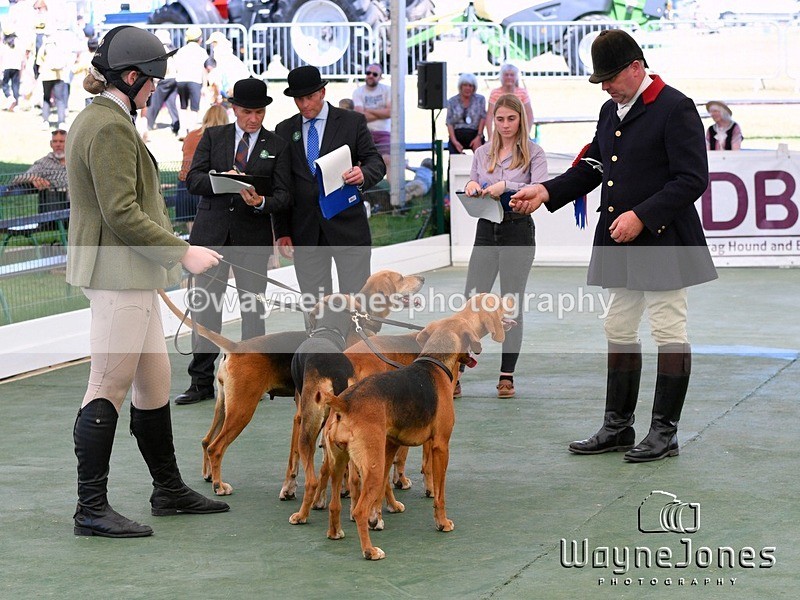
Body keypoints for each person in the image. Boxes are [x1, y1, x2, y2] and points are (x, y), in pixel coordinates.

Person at [510, 29, 717, 462]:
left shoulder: (675, 107)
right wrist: (547, 191)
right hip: (619, 240)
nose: (604, 86)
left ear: (636, 68)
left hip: (664, 241)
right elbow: (594, 164)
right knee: (618, 330)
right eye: (601, 79)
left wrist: (642, 214)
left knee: (668, 331)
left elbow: (692, 178)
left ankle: (665, 433)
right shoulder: (611, 110)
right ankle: (618, 427)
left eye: (609, 77)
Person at [65, 25, 229, 538]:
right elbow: (119, 212)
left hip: (131, 273)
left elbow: (131, 206)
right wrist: (183, 253)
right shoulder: (109, 126)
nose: (157, 88)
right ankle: (90, 508)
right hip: (118, 274)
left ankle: (168, 489)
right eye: (152, 80)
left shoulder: (107, 118)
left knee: (154, 384)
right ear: (131, 76)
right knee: (107, 386)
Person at [174, 77, 292, 405]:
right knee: (205, 309)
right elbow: (193, 180)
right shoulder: (213, 137)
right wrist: (221, 181)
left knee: (252, 309)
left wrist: (262, 202)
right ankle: (200, 382)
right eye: (247, 111)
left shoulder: (277, 144)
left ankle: (255, 378)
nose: (254, 118)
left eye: (259, 112)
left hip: (252, 237)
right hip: (210, 237)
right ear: (235, 109)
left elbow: (284, 194)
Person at [461, 94, 547, 399]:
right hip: (486, 229)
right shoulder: (481, 153)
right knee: (472, 301)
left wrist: (506, 187)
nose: (506, 125)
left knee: (511, 304)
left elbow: (538, 188)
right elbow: (473, 183)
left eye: (512, 118)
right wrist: (472, 187)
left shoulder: (534, 153)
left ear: (521, 119)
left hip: (518, 231)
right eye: (500, 119)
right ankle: (454, 371)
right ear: (492, 121)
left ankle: (506, 376)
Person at [274, 65, 385, 299]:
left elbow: (375, 161)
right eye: (298, 99)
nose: (304, 104)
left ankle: (357, 337)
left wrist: (363, 173)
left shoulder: (352, 122)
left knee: (356, 302)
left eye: (309, 97)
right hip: (305, 233)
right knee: (314, 305)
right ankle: (318, 337)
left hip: (349, 229)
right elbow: (282, 183)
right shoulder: (284, 130)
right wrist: (282, 230)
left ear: (322, 93)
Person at [176, 104, 229, 232]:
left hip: (185, 182)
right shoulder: (223, 138)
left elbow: (185, 152)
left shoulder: (191, 135)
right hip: (207, 185)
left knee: (191, 225)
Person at [10, 128, 69, 214]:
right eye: (55, 141)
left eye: (61, 141)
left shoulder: (75, 160)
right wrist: (33, 178)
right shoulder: (43, 163)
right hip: (56, 207)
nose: (58, 145)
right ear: (51, 144)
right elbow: (18, 178)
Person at [352, 62, 391, 170]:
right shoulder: (358, 92)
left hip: (384, 133)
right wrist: (381, 113)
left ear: (380, 77)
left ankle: (393, 187)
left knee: (388, 160)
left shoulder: (387, 90)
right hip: (365, 133)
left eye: (374, 74)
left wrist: (368, 110)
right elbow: (360, 117)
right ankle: (364, 186)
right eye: (368, 73)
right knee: (359, 163)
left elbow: (390, 112)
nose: (370, 76)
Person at [173, 26, 207, 138]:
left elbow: (176, 66)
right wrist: (205, 85)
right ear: (200, 39)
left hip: (181, 80)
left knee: (183, 106)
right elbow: (204, 69)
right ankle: (191, 131)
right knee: (194, 107)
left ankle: (182, 130)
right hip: (195, 80)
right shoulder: (201, 51)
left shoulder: (181, 51)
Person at [145, 30, 180, 136]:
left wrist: (155, 81)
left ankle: (149, 124)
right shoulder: (172, 48)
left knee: (155, 102)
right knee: (171, 102)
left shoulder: (160, 50)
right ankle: (176, 123)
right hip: (174, 79)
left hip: (164, 79)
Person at [486, 63, 533, 139]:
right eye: (506, 75)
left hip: (519, 131)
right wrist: (490, 137)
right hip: (500, 132)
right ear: (502, 77)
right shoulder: (495, 93)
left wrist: (526, 133)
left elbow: (529, 114)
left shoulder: (523, 92)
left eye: (512, 75)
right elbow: (490, 115)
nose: (509, 77)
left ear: (516, 77)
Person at [446, 72, 486, 154]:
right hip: (457, 134)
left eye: (470, 86)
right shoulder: (452, 101)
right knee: (455, 160)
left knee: (481, 156)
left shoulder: (480, 99)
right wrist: (454, 141)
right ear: (460, 87)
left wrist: (478, 137)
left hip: (475, 133)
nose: (468, 88)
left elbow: (483, 117)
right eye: (465, 85)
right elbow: (449, 122)